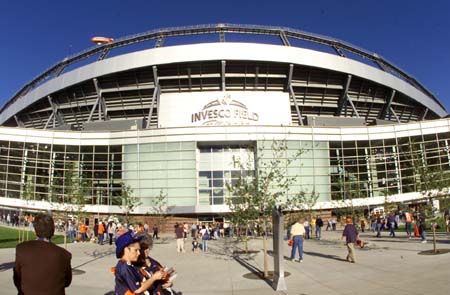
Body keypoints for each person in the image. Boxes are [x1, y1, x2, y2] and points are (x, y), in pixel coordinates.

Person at [13, 213, 72, 295]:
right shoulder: (63, 254)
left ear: (35, 230)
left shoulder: (22, 249)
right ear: (53, 230)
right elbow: (67, 282)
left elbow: (17, 279)